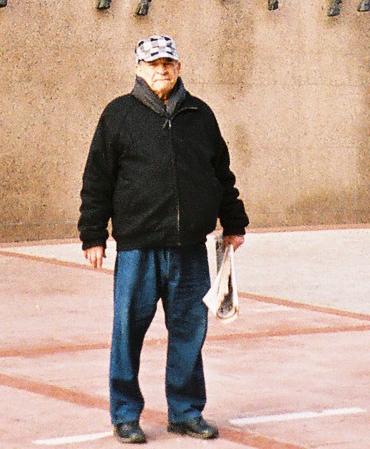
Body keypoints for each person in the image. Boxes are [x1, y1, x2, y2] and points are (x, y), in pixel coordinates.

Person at [80, 35, 248, 444]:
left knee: (190, 331)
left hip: (189, 247)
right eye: (153, 63)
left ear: (179, 66)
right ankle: (125, 415)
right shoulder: (118, 115)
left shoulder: (199, 114)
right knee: (127, 332)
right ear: (139, 68)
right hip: (139, 247)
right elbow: (97, 179)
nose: (161, 70)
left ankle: (186, 412)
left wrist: (234, 221)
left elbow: (221, 173)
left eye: (168, 63)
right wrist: (93, 235)